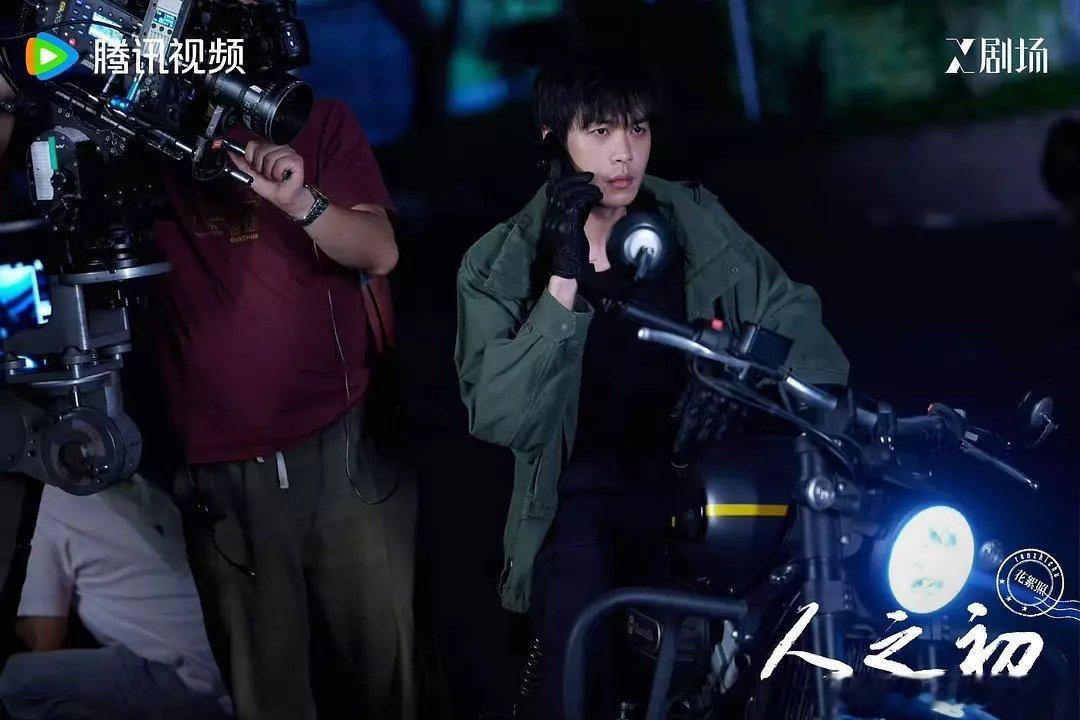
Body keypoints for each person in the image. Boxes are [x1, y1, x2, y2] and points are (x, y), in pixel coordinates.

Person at [454, 50, 849, 718]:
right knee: (574, 653)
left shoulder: (691, 220)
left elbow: (798, 324)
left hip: (699, 483)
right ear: (553, 140)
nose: (624, 153)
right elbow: (500, 415)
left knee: (793, 620)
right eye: (600, 131)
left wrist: (739, 381)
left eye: (637, 128)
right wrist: (563, 276)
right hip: (583, 498)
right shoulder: (500, 261)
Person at [0, 475, 231, 720]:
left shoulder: (42, 509)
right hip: (231, 660)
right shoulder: (116, 477)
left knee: (17, 682)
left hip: (192, 680)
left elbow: (45, 640)